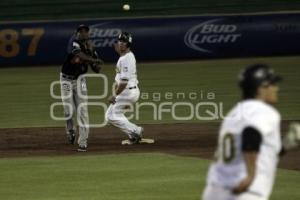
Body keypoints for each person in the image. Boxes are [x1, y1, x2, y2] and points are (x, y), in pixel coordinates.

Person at [202, 64, 300, 200]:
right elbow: (251, 134)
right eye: (272, 84)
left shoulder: (234, 113)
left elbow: (258, 151)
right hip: (245, 192)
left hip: (215, 191)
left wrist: (285, 144)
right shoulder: (262, 111)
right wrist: (250, 176)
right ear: (260, 88)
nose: (276, 88)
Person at [60, 24, 102, 152]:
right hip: (66, 80)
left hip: (80, 80)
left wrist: (96, 62)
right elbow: (78, 54)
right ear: (76, 32)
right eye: (81, 31)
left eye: (85, 31)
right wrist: (92, 59)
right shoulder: (73, 42)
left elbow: (97, 70)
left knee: (82, 110)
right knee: (68, 110)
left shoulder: (91, 47)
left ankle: (83, 141)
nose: (83, 33)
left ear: (88, 33)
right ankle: (70, 130)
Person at [105, 32, 143, 144]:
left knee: (110, 116)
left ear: (128, 44)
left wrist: (114, 95)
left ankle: (136, 130)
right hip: (129, 92)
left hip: (128, 92)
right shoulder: (126, 56)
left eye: (124, 42)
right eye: (120, 41)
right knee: (116, 114)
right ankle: (133, 134)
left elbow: (124, 82)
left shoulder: (126, 58)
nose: (121, 44)